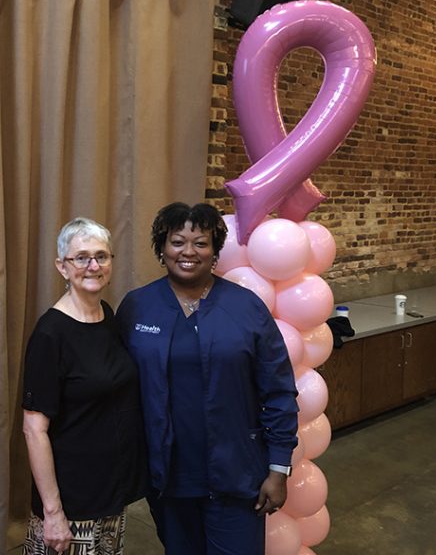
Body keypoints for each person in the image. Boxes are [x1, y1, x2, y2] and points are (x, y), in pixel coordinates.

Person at [116, 202, 299, 554]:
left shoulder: (246, 307)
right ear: (162, 248)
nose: (188, 252)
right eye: (177, 242)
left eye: (200, 243)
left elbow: (278, 390)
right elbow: (118, 387)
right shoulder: (137, 307)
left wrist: (279, 468)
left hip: (237, 473)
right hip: (167, 478)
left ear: (215, 252)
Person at [21, 217, 149, 555]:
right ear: (62, 267)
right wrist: (53, 513)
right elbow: (34, 430)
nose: (93, 266)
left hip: (110, 491)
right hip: (71, 501)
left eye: (101, 256)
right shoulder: (50, 334)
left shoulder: (106, 315)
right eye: (81, 258)